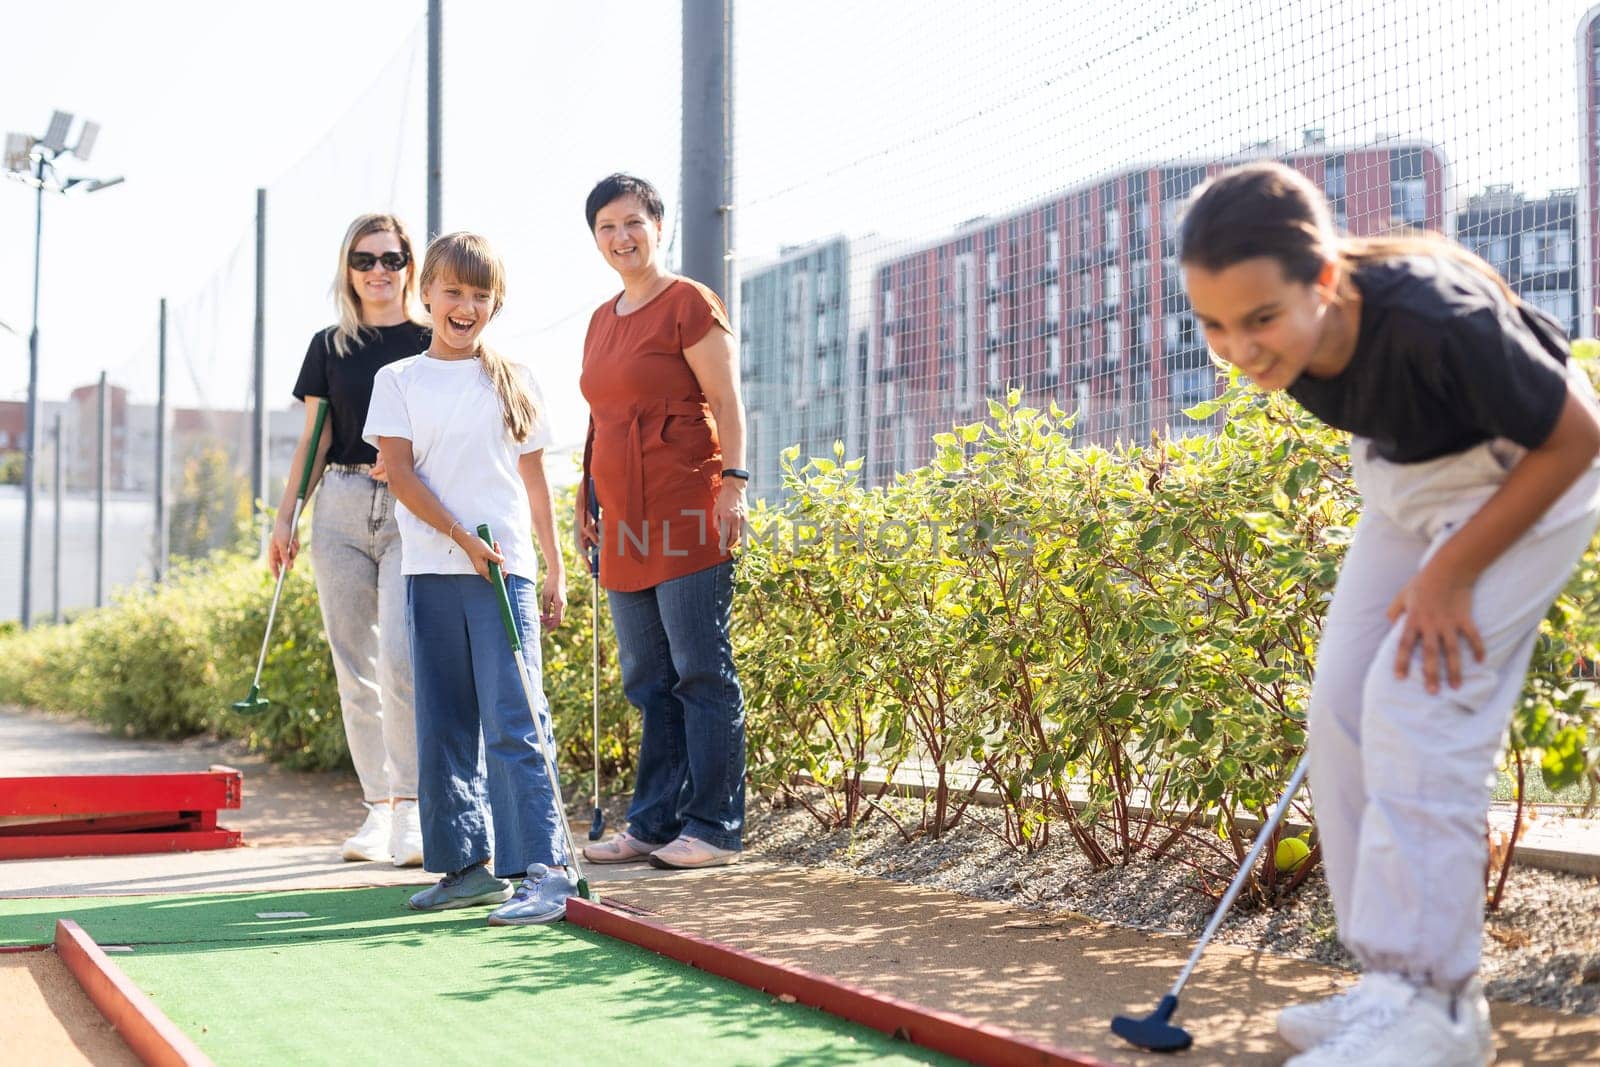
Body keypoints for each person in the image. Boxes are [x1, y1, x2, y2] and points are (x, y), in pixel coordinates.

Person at [1179, 161, 1600, 1067]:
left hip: (1528, 477)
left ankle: (1443, 1011)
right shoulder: (1289, 343)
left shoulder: (1436, 317)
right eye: (1213, 324)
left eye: (1259, 319)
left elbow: (1577, 438)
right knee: (1338, 709)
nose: (1241, 348)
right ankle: (1392, 982)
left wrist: (1451, 570)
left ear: (1323, 280)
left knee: (1418, 708)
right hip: (1413, 483)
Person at [364, 230, 575, 925]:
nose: (465, 305)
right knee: (445, 723)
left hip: (501, 573)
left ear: (495, 304)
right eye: (453, 291)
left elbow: (534, 481)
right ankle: (464, 866)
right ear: (425, 293)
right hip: (433, 571)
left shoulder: (512, 379)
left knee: (514, 718)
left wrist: (552, 564)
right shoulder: (397, 381)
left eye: (480, 295)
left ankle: (545, 868)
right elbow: (398, 472)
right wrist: (458, 537)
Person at [576, 173, 750, 871]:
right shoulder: (599, 319)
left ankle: (713, 828)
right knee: (647, 678)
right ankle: (653, 822)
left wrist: (732, 485)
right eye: (606, 227)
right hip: (621, 518)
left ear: (657, 225)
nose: (621, 237)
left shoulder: (688, 303)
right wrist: (584, 499)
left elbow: (727, 401)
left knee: (700, 671)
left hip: (686, 505)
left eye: (632, 222)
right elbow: (600, 418)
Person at [275, 213, 430, 867]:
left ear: (408, 266)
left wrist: (405, 459)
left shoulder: (432, 340)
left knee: (399, 657)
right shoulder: (329, 345)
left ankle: (417, 810)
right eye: (364, 260)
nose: (377, 272)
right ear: (348, 268)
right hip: (336, 505)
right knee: (353, 665)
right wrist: (284, 517)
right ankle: (379, 810)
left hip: (407, 510)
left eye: (391, 259)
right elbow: (313, 441)